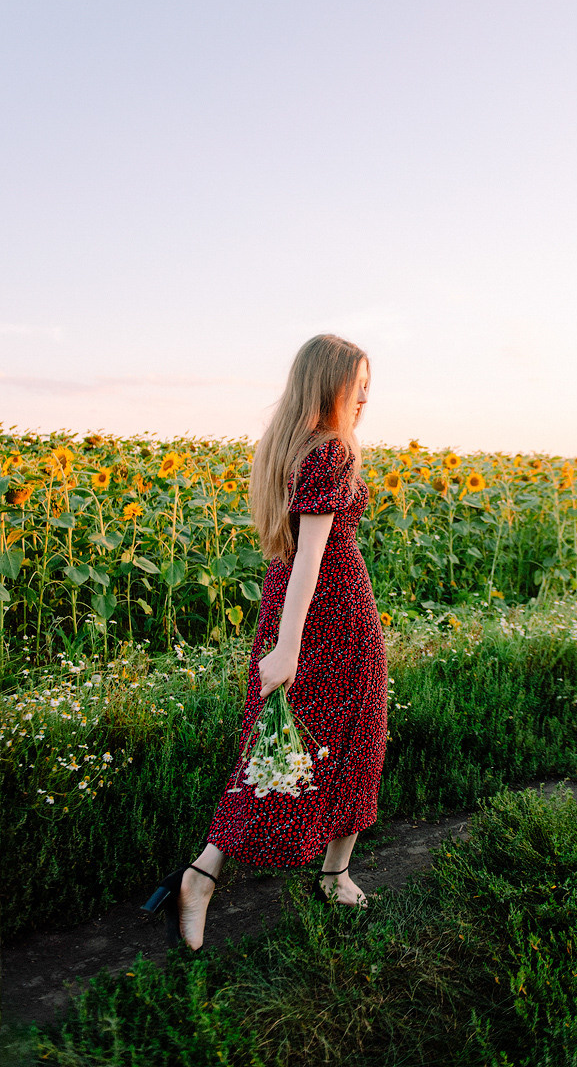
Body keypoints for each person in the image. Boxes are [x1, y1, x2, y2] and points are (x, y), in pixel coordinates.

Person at [142, 334, 388, 949]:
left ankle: (306, 874)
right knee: (337, 742)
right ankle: (210, 877)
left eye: (368, 387)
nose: (365, 398)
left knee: (282, 747)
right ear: (328, 385)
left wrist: (283, 638)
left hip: (298, 610)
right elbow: (310, 557)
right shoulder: (331, 451)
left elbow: (296, 555)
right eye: (357, 386)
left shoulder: (289, 445)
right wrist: (288, 647)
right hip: (329, 616)